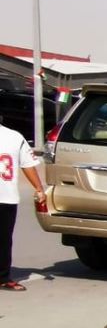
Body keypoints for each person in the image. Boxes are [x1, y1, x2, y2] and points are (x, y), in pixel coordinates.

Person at [0, 118, 46, 291]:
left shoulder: (14, 137)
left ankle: (3, 277)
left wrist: (39, 188)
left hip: (5, 196)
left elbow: (27, 164)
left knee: (3, 240)